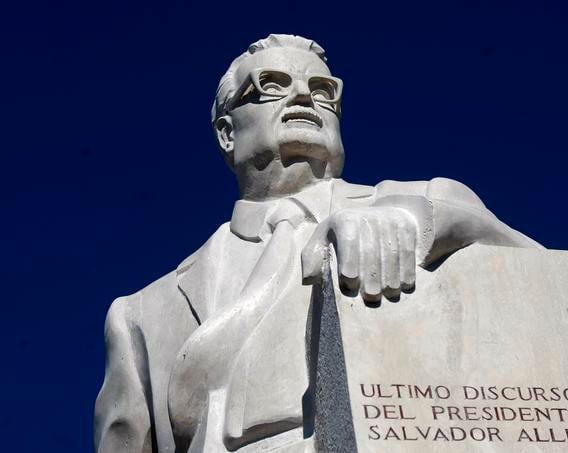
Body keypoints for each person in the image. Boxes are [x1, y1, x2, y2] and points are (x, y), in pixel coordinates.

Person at [94, 34, 541, 453]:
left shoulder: (428, 203)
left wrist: (415, 222)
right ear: (227, 133)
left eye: (323, 90)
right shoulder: (141, 314)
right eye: (272, 85)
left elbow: (555, 292)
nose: (305, 98)